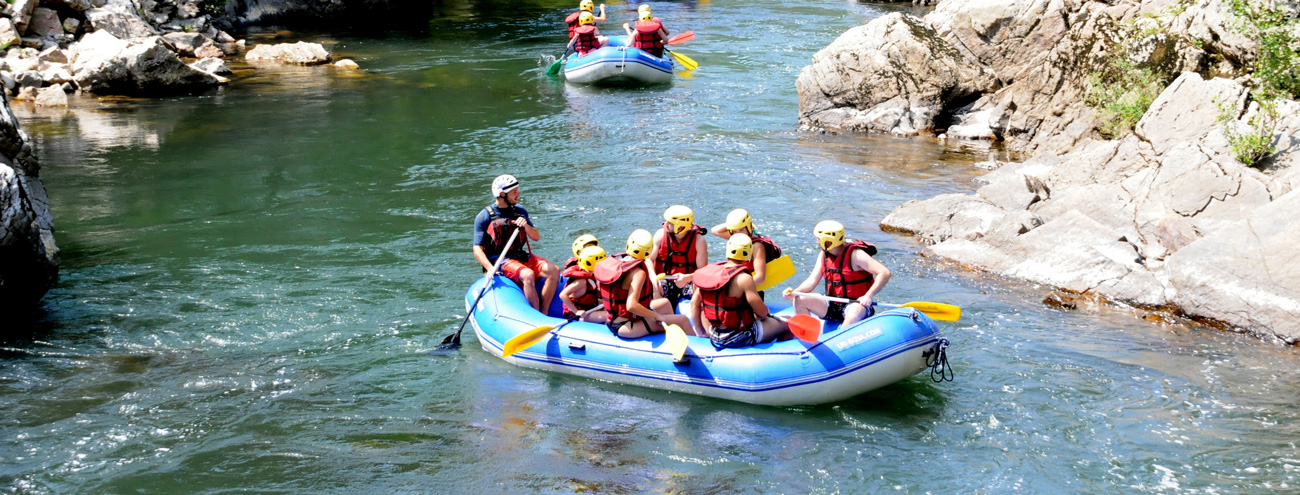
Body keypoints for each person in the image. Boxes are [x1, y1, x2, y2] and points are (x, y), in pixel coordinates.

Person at [471, 174, 560, 313]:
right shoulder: (484, 216)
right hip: (500, 259)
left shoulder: (520, 211)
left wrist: (525, 226)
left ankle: (544, 312)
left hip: (520, 256)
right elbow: (477, 249)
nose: (518, 194)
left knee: (554, 270)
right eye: (514, 192)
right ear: (502, 194)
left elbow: (536, 237)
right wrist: (489, 268)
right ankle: (535, 316)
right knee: (528, 275)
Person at [783, 220, 891, 327]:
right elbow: (811, 281)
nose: (817, 241)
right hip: (833, 303)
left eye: (819, 239)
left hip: (856, 304)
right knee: (800, 299)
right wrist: (795, 292)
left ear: (829, 241)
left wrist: (868, 296)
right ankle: (807, 334)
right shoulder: (823, 255)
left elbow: (884, 273)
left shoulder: (856, 255)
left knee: (853, 314)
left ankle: (842, 338)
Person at [691, 234, 790, 349]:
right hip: (739, 336)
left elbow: (694, 304)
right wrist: (764, 314)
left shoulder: (709, 274)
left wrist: (700, 332)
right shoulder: (744, 278)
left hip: (714, 333)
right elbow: (762, 313)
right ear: (749, 253)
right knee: (788, 322)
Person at [594, 229, 695, 338]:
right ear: (649, 250)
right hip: (626, 325)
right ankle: (700, 347)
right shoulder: (638, 272)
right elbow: (631, 306)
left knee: (665, 303)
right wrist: (657, 316)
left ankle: (667, 334)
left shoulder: (619, 262)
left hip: (614, 319)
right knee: (683, 320)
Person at [710, 208, 782, 290]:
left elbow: (760, 277)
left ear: (749, 227)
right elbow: (715, 230)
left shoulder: (756, 246)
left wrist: (735, 288)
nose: (738, 234)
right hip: (741, 277)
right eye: (735, 231)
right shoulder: (738, 236)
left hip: (751, 286)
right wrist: (732, 223)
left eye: (741, 229)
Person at [649, 205, 708, 304]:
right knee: (653, 285)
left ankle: (693, 312)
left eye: (670, 223)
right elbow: (648, 259)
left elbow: (702, 272)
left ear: (680, 226)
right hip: (662, 280)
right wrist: (652, 276)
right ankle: (662, 314)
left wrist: (687, 277)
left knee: (699, 285)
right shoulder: (660, 234)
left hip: (687, 281)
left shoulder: (699, 241)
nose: (666, 224)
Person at [559, 245, 609, 323]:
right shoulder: (581, 281)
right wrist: (576, 311)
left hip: (590, 308)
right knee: (608, 316)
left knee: (613, 310)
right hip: (579, 316)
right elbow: (563, 295)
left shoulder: (591, 274)